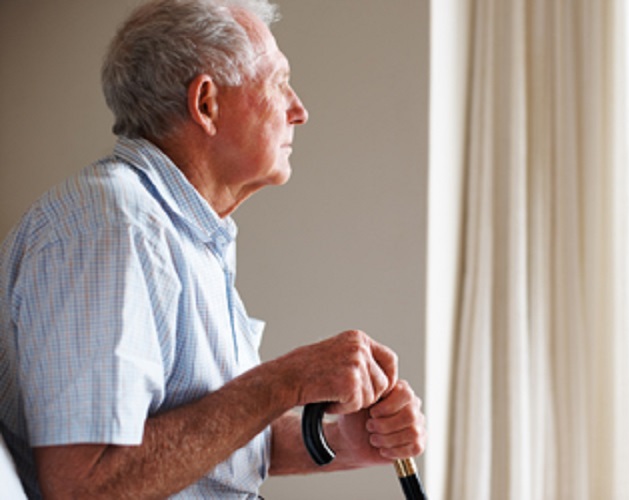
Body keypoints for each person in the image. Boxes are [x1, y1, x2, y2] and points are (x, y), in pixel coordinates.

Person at [0, 0, 426, 497]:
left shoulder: (182, 234)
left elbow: (200, 454)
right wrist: (284, 381)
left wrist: (339, 443)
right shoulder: (110, 229)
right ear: (206, 103)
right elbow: (87, 485)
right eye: (278, 81)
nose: (299, 110)